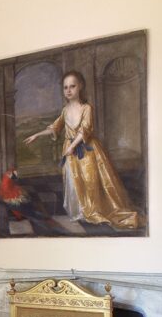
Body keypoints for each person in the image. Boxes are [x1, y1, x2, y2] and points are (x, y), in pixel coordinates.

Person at [24, 71, 144, 229]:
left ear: (80, 86)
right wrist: (37, 134)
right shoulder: (65, 110)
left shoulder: (87, 108)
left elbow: (84, 130)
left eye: (72, 86)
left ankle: (92, 210)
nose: (68, 90)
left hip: (87, 151)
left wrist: (73, 146)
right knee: (74, 180)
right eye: (65, 87)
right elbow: (55, 127)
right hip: (70, 150)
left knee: (90, 181)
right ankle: (79, 211)